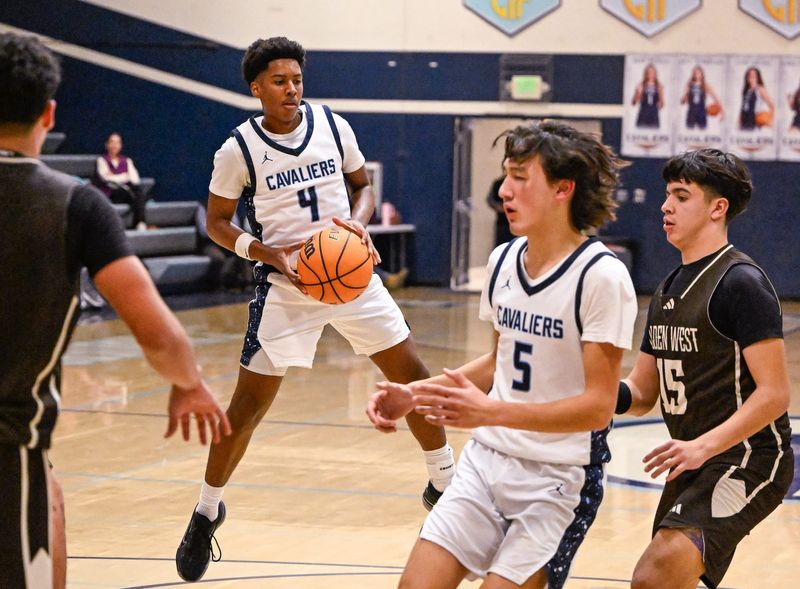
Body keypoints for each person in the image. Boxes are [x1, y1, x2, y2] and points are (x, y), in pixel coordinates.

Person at [174, 36, 453, 582]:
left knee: (413, 377)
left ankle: (442, 483)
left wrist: (359, 221)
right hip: (287, 284)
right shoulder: (238, 149)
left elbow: (362, 188)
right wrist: (264, 251)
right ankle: (207, 511)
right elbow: (217, 223)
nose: (293, 90)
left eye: (298, 79)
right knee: (248, 408)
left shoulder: (332, 124)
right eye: (280, 81)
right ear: (256, 88)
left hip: (350, 275)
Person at [0, 32, 231, 589]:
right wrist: (188, 383)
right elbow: (161, 337)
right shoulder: (75, 204)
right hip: (8, 461)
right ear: (49, 113)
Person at [367, 120, 637, 589]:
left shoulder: (602, 277)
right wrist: (414, 395)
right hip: (486, 463)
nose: (505, 191)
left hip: (557, 479)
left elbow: (598, 407)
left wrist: (494, 411)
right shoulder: (503, 262)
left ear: (563, 189)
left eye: (519, 177)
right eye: (506, 175)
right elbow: (498, 363)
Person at [614, 149, 793, 589]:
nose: (665, 206)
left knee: (655, 573)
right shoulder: (667, 289)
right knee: (667, 578)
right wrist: (588, 394)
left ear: (718, 208)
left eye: (681, 196)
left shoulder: (741, 282)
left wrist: (703, 447)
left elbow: (775, 393)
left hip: (749, 458)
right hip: (695, 459)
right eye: (667, 195)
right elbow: (641, 392)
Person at [94, 131, 148, 230]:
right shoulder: (102, 160)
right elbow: (105, 178)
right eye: (112, 142)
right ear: (107, 145)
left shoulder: (127, 161)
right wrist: (124, 176)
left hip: (125, 190)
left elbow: (135, 179)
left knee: (140, 192)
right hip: (111, 191)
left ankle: (140, 223)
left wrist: (116, 176)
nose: (114, 145)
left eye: (117, 142)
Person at [680, 66, 723, 130]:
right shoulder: (689, 85)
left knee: (702, 133)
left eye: (698, 73)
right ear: (692, 74)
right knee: (689, 133)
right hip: (691, 113)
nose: (696, 74)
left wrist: (722, 113)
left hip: (701, 113)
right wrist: (685, 93)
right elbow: (682, 102)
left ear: (702, 74)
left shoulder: (706, 85)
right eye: (695, 73)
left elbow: (717, 99)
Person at [632, 63, 663, 129]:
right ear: (646, 73)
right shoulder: (641, 85)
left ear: (655, 74)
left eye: (652, 72)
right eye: (649, 72)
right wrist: (638, 93)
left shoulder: (658, 86)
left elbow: (661, 105)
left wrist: (660, 94)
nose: (650, 74)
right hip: (643, 113)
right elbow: (634, 103)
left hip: (654, 114)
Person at [486, 171, 512, 247]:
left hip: (517, 223)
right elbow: (490, 200)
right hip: (502, 223)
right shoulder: (498, 183)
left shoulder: (517, 183)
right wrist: (499, 207)